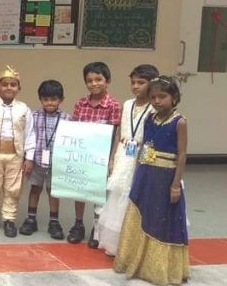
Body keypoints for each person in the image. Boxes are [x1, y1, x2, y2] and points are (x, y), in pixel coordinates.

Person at [114, 76, 189, 285]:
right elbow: (145, 147)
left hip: (166, 178)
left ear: (174, 97)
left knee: (161, 219)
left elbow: (182, 155)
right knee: (140, 213)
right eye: (153, 97)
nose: (157, 101)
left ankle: (159, 269)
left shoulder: (179, 122)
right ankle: (136, 262)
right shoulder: (149, 119)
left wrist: (175, 185)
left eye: (162, 97)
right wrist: (137, 174)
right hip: (146, 174)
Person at [97, 64, 158, 255]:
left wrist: (144, 163)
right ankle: (116, 245)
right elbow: (119, 133)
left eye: (141, 82)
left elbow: (153, 139)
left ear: (152, 84)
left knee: (136, 197)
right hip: (124, 154)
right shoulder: (127, 104)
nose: (135, 86)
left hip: (142, 157)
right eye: (133, 82)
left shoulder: (154, 108)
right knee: (118, 197)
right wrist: (113, 158)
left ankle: (135, 246)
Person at [0, 65, 35, 238]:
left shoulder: (24, 109)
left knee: (13, 189)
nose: (9, 88)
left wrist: (29, 158)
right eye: (4, 84)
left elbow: (29, 134)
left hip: (15, 155)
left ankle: (9, 219)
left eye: (13, 84)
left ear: (19, 88)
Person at [68, 62, 121, 247]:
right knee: (80, 191)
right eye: (89, 80)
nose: (94, 84)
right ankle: (78, 224)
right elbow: (74, 130)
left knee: (98, 193)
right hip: (82, 156)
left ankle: (96, 228)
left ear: (108, 81)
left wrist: (111, 159)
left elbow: (115, 134)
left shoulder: (113, 105)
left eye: (98, 79)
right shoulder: (80, 104)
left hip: (101, 158)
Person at [19, 80, 70, 239]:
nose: (49, 103)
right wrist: (27, 158)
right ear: (40, 99)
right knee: (35, 189)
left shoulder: (67, 119)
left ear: (61, 100)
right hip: (37, 161)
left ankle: (54, 222)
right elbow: (27, 137)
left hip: (56, 163)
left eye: (54, 99)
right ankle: (31, 219)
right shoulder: (33, 116)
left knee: (53, 192)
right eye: (45, 99)